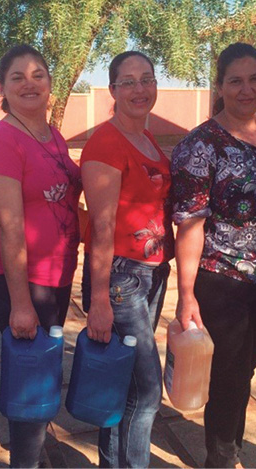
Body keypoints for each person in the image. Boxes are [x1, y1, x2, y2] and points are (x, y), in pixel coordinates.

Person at [171, 43, 256, 468]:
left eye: (254, 79)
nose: (246, 90)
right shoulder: (201, 145)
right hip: (222, 281)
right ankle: (222, 456)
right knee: (228, 374)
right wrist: (186, 295)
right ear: (220, 86)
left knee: (244, 370)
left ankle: (231, 442)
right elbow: (190, 225)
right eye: (235, 81)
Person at [0, 44, 81, 468]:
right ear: (2, 87)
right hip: (21, 284)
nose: (29, 84)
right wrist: (20, 305)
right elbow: (10, 229)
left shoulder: (50, 134)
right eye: (17, 77)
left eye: (38, 75)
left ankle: (35, 450)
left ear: (51, 84)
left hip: (53, 276)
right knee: (30, 381)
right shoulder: (1, 144)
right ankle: (26, 461)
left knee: (41, 374)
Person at [81, 50, 174, 468]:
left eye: (147, 79)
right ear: (113, 90)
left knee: (125, 385)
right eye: (129, 82)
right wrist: (99, 299)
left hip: (152, 273)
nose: (140, 89)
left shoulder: (147, 138)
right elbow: (101, 226)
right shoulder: (106, 142)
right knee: (147, 391)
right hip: (121, 278)